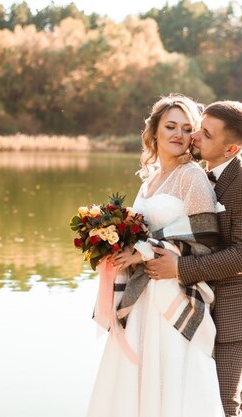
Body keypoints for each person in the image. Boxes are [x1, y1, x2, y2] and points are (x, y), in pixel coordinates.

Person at [85, 94, 225, 417]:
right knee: (136, 377)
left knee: (171, 377)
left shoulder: (192, 177)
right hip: (144, 295)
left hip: (172, 295)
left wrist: (143, 253)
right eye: (170, 126)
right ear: (155, 133)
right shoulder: (149, 181)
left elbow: (205, 241)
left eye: (187, 128)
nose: (178, 134)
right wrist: (114, 246)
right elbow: (142, 229)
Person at [145, 100, 242, 417]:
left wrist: (180, 268)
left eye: (206, 133)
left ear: (230, 149)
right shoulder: (201, 176)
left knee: (223, 399)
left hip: (235, 311)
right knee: (232, 397)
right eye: (200, 128)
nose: (195, 137)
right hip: (201, 304)